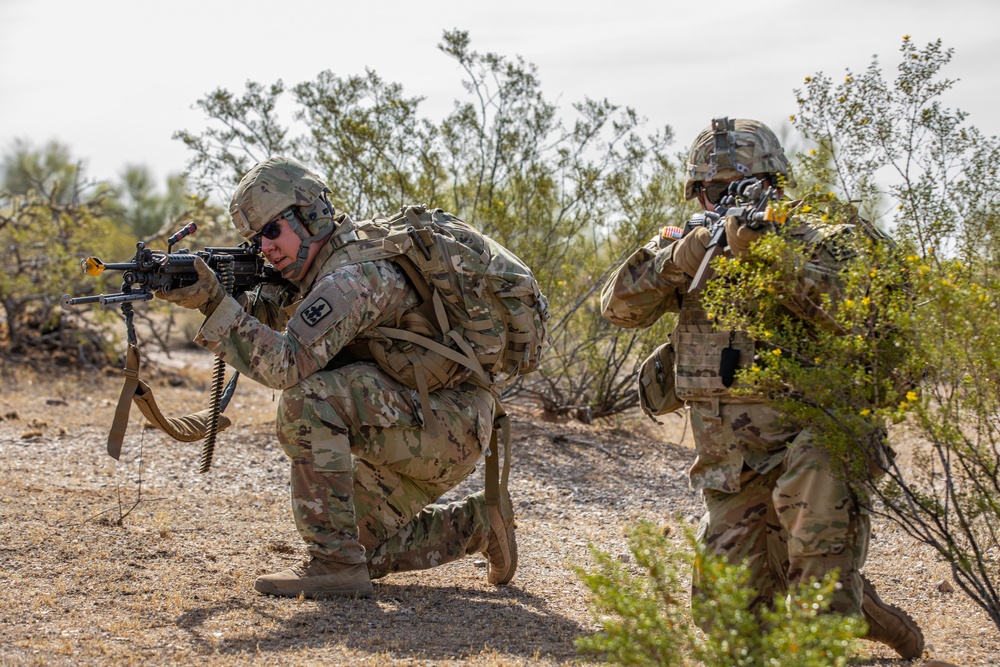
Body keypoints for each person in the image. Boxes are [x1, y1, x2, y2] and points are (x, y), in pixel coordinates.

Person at [600, 118, 925, 660]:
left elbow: (865, 315)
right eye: (714, 191)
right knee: (728, 617)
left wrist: (773, 260)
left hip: (820, 436)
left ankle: (832, 615)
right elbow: (618, 309)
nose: (727, 200)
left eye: (746, 188)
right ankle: (865, 608)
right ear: (697, 193)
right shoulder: (692, 241)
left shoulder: (828, 235)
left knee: (816, 576)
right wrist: (680, 259)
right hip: (735, 462)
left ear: (776, 185)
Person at [155, 156, 515, 599]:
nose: (265, 247)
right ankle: (479, 525)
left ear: (311, 215)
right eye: (255, 239)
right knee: (366, 549)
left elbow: (286, 362)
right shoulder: (324, 265)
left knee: (307, 401)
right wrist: (223, 297)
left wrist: (215, 305)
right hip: (425, 418)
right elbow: (287, 319)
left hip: (446, 424)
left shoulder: (353, 277)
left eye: (272, 230)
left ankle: (333, 566)